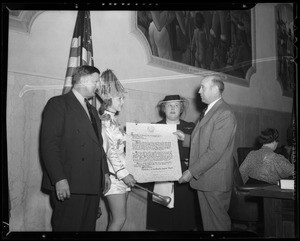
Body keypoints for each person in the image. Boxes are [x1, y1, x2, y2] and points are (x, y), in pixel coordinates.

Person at [40, 65, 111, 231]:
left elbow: (98, 144)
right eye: (96, 81)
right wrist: (59, 178)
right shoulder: (58, 104)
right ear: (84, 81)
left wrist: (105, 172)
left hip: (92, 182)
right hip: (69, 183)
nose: (98, 86)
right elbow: (49, 145)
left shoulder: (93, 110)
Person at [176, 74, 237, 231]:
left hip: (214, 181)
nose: (199, 91)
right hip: (206, 179)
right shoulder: (210, 110)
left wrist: (191, 171)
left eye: (203, 87)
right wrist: (185, 137)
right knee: (210, 226)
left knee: (218, 225)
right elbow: (204, 139)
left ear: (215, 89)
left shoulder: (224, 113)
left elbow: (215, 151)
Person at [146, 95, 202, 231]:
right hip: (160, 176)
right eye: (169, 105)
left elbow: (201, 149)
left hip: (184, 176)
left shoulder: (191, 127)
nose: (172, 108)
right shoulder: (153, 128)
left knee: (184, 217)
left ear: (181, 109)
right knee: (161, 219)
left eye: (176, 105)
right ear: (163, 109)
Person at [98, 69, 137, 231]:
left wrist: (135, 132)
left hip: (121, 175)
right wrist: (123, 174)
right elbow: (109, 151)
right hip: (115, 176)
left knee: (116, 219)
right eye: (119, 98)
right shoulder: (104, 122)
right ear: (108, 100)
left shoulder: (112, 120)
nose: (122, 101)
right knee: (119, 220)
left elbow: (118, 143)